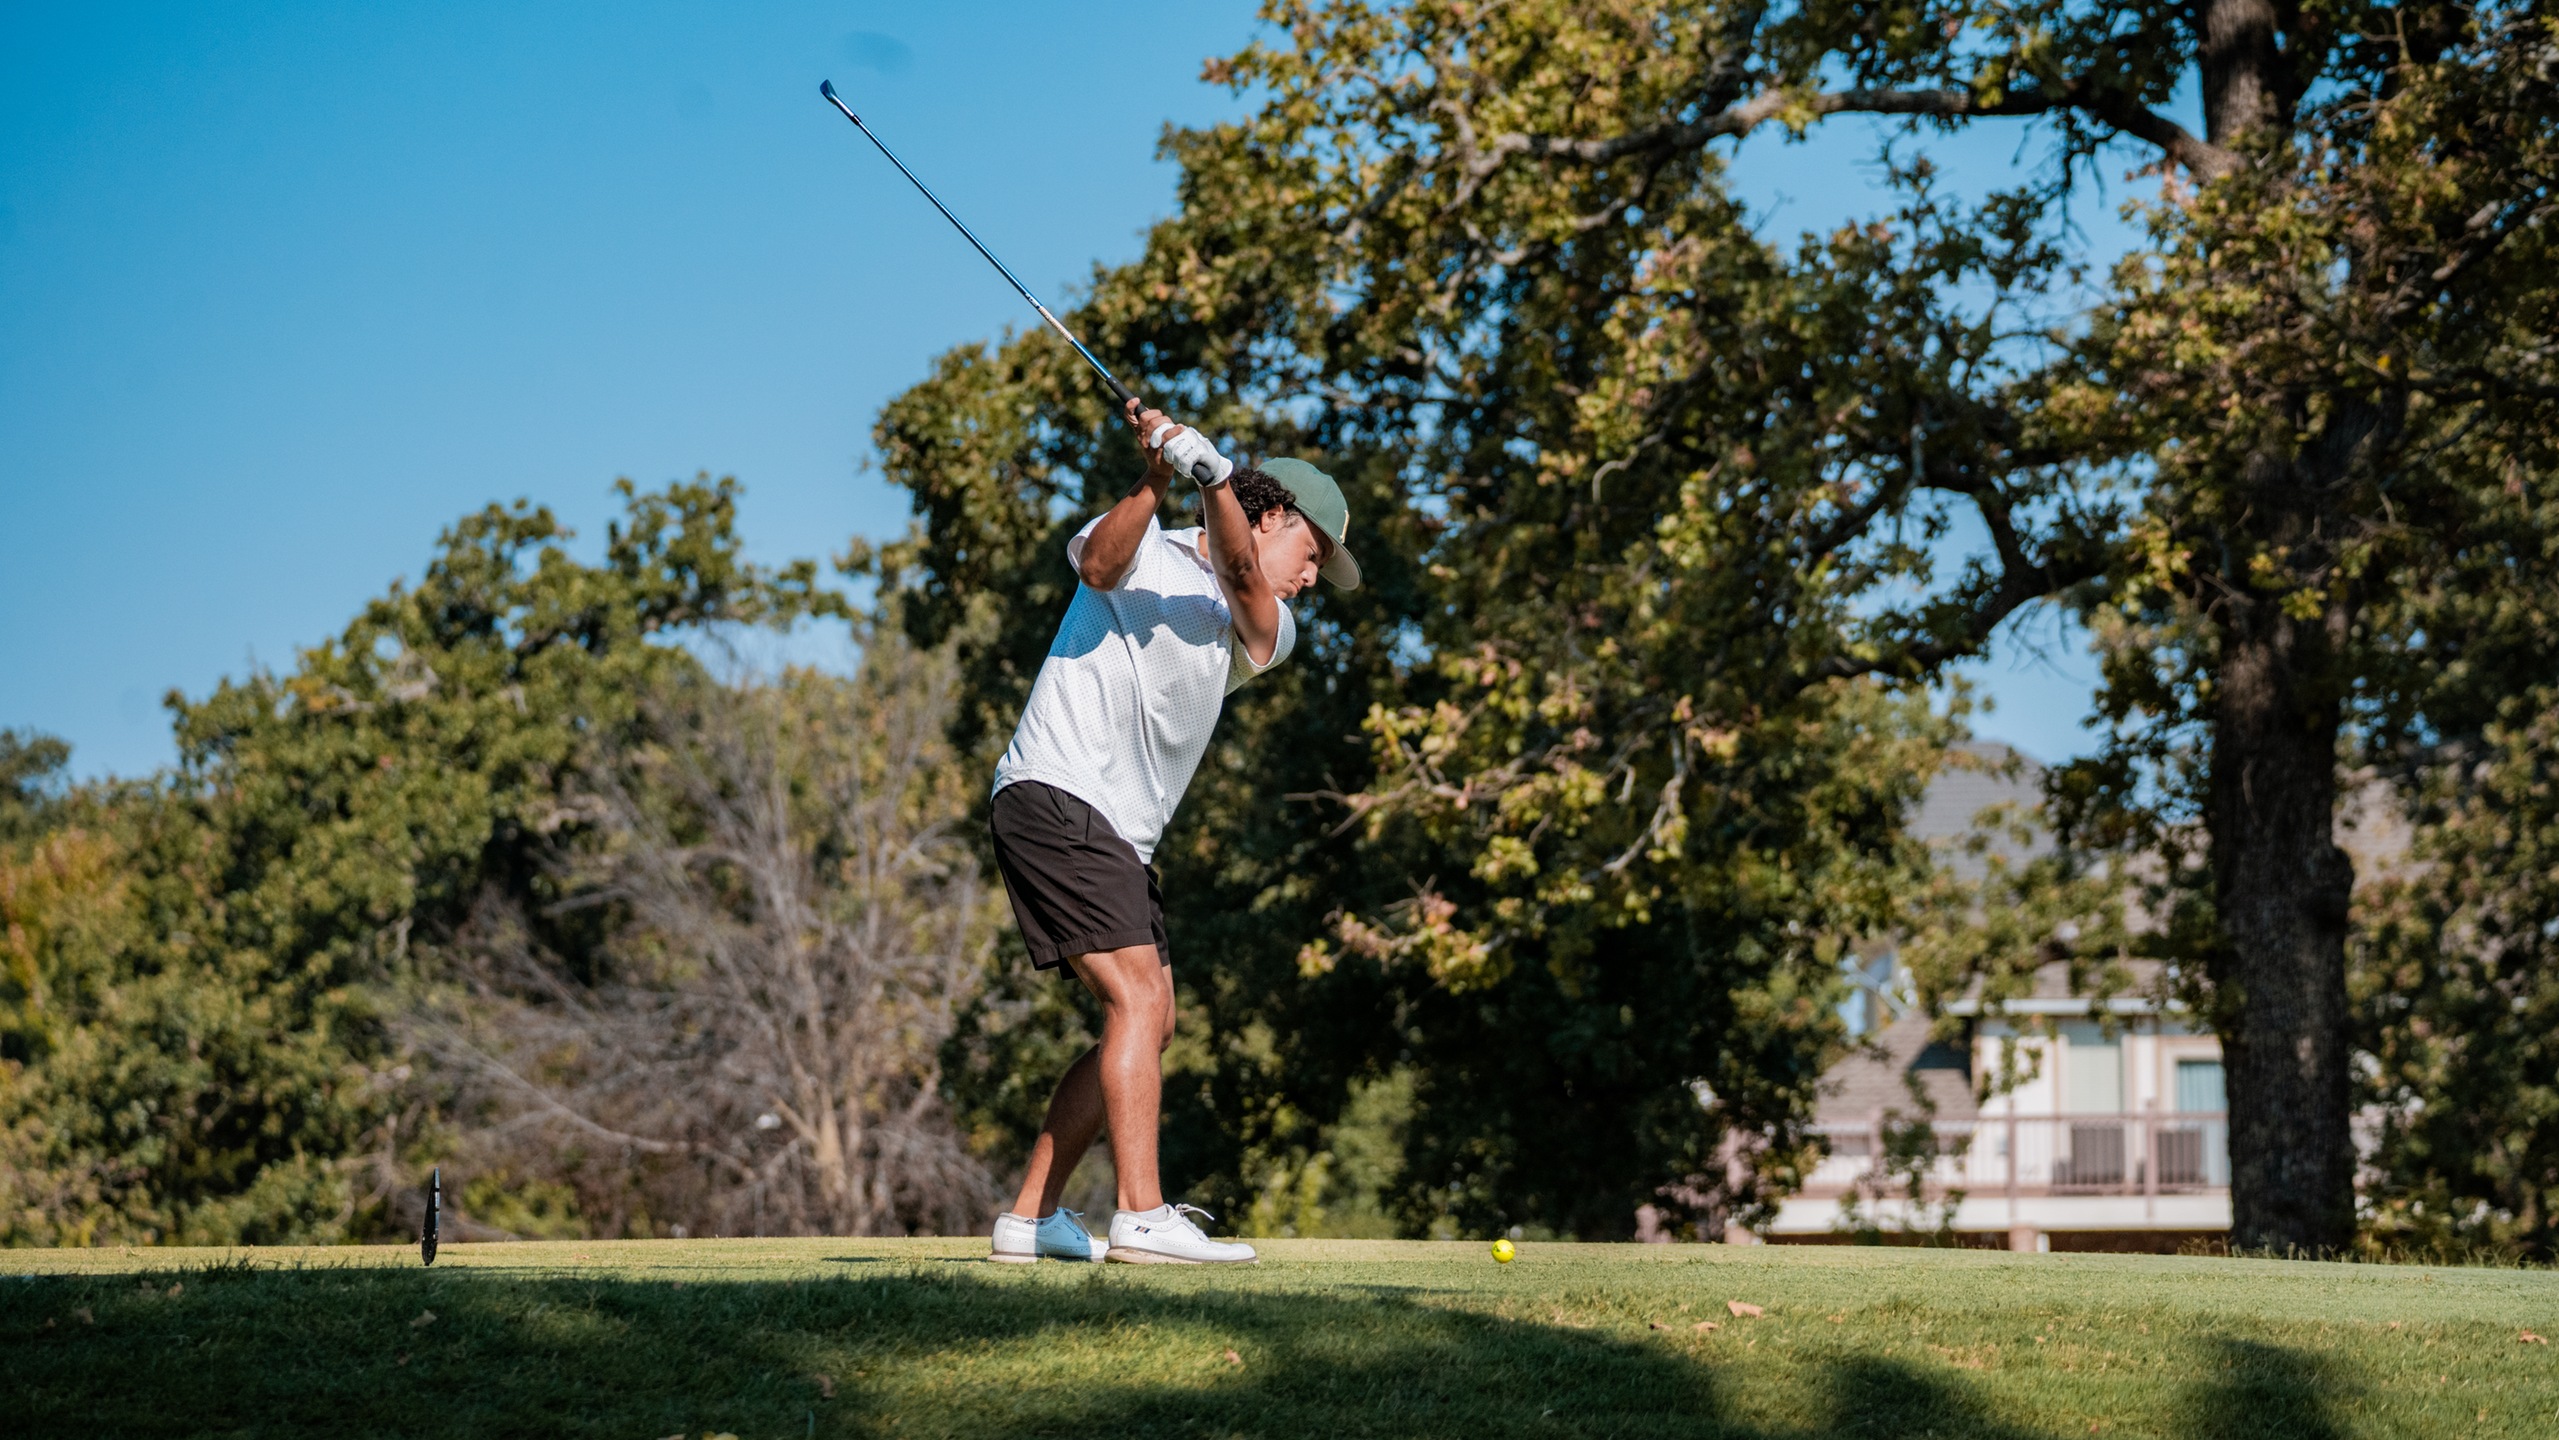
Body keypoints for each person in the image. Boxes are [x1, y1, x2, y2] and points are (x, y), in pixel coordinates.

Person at [983, 399, 1360, 1264]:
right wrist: (1158, 477)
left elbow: (1238, 574)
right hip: (1056, 786)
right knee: (1138, 1000)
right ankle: (1141, 1215)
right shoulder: (1144, 539)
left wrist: (1212, 475)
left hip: (1118, 828)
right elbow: (1102, 568)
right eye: (1312, 554)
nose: (1309, 580)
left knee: (1152, 1022)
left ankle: (1030, 1217)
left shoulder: (1268, 623)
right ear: (1276, 518)